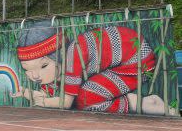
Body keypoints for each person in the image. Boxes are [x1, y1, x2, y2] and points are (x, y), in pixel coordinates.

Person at [15, 20, 172, 115]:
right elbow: (50, 93)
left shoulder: (72, 56)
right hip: (123, 58)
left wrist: (41, 102)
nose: (34, 75)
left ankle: (145, 103)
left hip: (136, 62)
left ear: (60, 54)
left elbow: (65, 103)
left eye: (43, 66)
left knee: (85, 98)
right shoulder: (63, 64)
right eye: (27, 69)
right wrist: (29, 93)